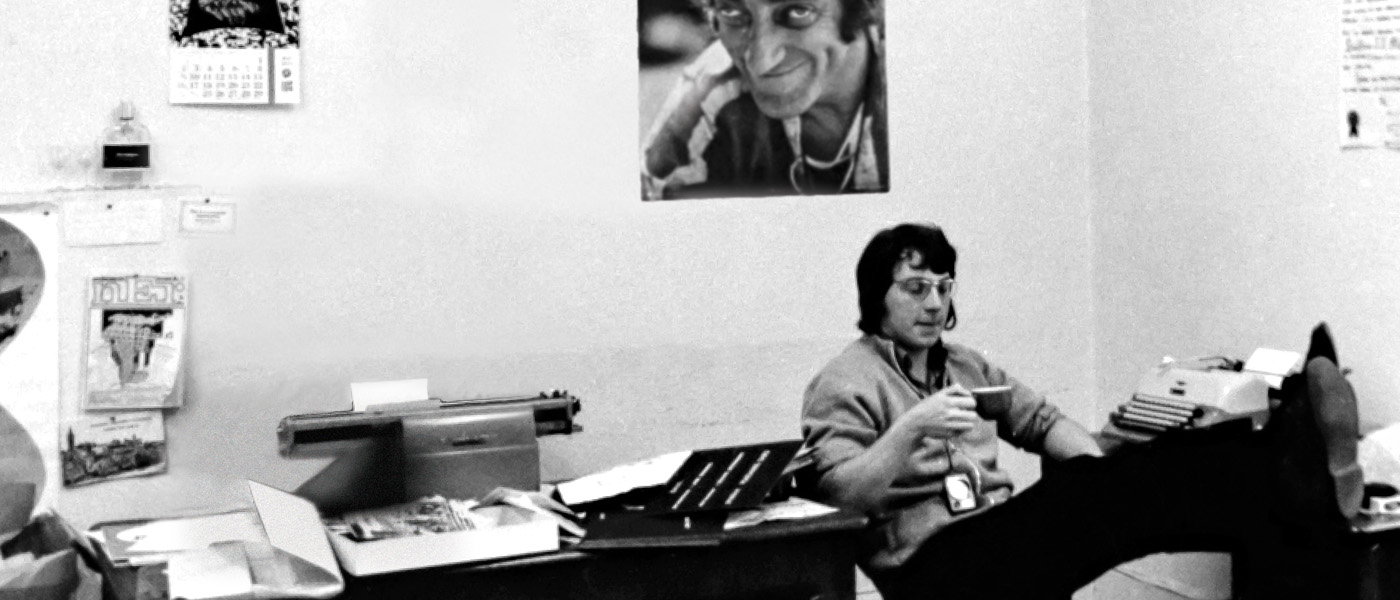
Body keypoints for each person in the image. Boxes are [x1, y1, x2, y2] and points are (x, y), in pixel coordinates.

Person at [800, 222, 1363, 599]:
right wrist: (912, 427)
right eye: (915, 287)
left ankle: (1285, 464)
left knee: (1179, 484)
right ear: (878, 295)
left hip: (998, 539)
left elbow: (1042, 423)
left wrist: (1105, 473)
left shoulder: (966, 365)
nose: (933, 303)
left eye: (943, 287)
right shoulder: (845, 380)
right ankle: (1289, 463)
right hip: (933, 570)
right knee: (1098, 490)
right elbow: (838, 498)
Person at [640, 0, 888, 200]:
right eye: (731, 11)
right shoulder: (710, 100)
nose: (760, 61)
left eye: (797, 12)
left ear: (864, 7)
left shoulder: (915, 89)